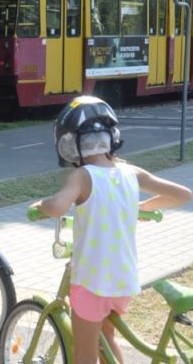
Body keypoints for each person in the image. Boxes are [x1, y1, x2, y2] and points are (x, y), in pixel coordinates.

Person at [30, 96, 191, 363]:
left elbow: (58, 207)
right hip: (123, 281)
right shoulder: (131, 173)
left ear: (69, 143)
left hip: (92, 282)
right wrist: (143, 206)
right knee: (107, 340)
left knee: (84, 352)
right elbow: (183, 195)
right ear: (111, 136)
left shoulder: (81, 176)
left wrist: (41, 205)